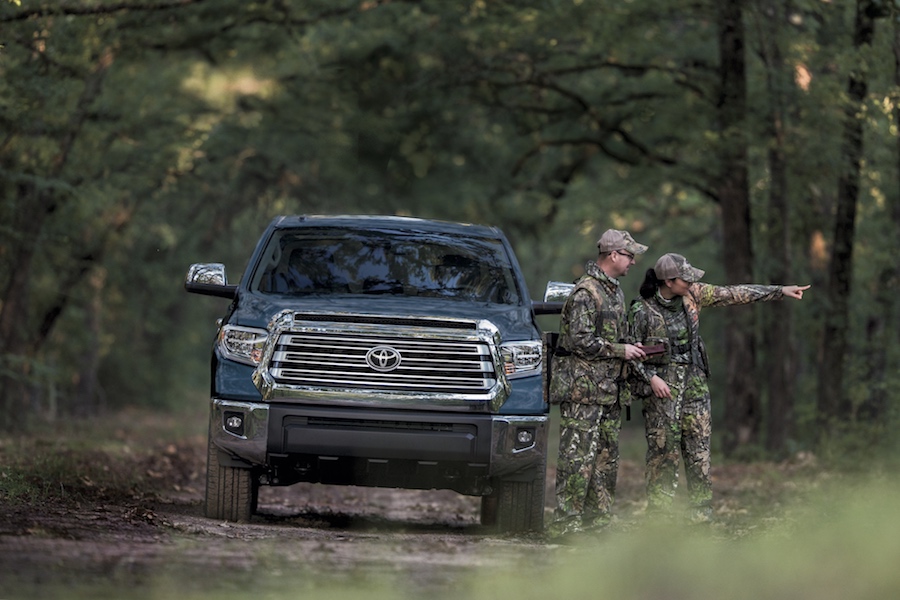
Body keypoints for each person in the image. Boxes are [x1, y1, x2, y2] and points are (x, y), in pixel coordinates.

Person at [627, 252, 810, 523]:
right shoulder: (641, 311)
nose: (690, 282)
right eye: (685, 279)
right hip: (662, 391)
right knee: (662, 452)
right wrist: (650, 378)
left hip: (695, 386)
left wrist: (780, 291)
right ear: (668, 281)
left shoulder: (694, 296)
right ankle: (660, 518)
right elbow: (629, 354)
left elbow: (734, 293)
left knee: (699, 449)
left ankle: (701, 514)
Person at [547, 229, 649, 539]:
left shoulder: (614, 291)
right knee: (577, 459)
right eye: (630, 256)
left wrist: (635, 347)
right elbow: (580, 341)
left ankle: (597, 524)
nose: (633, 262)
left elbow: (614, 335)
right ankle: (566, 525)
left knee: (606, 461)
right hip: (584, 393)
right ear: (614, 255)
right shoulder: (586, 292)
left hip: (609, 393)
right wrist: (621, 350)